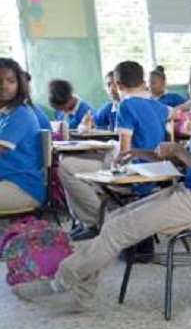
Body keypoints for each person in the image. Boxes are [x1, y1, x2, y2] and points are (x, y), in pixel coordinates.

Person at [14, 61, 191, 309]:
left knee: (118, 228)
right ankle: (79, 292)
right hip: (189, 193)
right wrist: (137, 152)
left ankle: (60, 284)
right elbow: (183, 160)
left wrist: (177, 149)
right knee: (113, 219)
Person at [59, 61, 170, 240]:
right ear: (143, 82)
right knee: (74, 165)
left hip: (135, 170)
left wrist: (113, 168)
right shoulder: (157, 105)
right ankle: (90, 221)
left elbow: (125, 152)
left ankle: (100, 222)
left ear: (118, 85)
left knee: (66, 166)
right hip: (155, 167)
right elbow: (174, 113)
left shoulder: (125, 106)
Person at [0, 58, 45, 210]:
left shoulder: (20, 113)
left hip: (22, 186)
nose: (4, 85)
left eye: (11, 81)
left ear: (19, 84)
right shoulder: (3, 114)